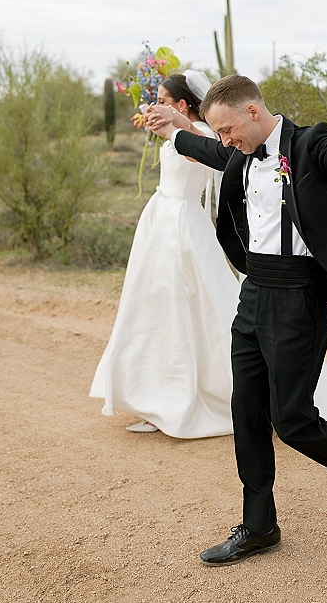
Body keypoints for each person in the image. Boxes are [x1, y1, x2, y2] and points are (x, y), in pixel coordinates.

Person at [147, 73, 327, 565]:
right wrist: (175, 127)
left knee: (290, 420)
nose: (224, 141)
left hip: (298, 297)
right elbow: (203, 150)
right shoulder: (237, 154)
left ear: (251, 112)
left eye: (227, 131)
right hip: (254, 294)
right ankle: (259, 526)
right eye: (218, 134)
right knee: (245, 410)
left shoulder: (309, 143)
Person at [89, 70, 241, 438]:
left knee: (182, 306)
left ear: (183, 105)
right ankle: (155, 397)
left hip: (181, 225)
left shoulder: (202, 135)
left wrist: (175, 128)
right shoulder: (180, 128)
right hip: (161, 218)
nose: (156, 105)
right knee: (153, 307)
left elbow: (196, 159)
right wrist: (169, 125)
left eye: (163, 100)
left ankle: (187, 398)